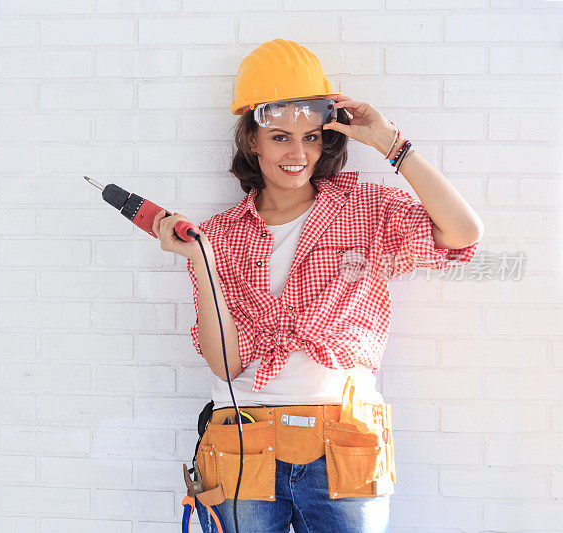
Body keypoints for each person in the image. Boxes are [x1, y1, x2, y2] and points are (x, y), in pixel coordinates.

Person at [153, 39, 484, 533]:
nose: (298, 153)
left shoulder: (363, 210)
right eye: (281, 137)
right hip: (245, 443)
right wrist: (201, 261)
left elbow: (461, 234)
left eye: (311, 137)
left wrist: (393, 144)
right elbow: (227, 364)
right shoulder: (217, 235)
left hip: (345, 441)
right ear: (252, 140)